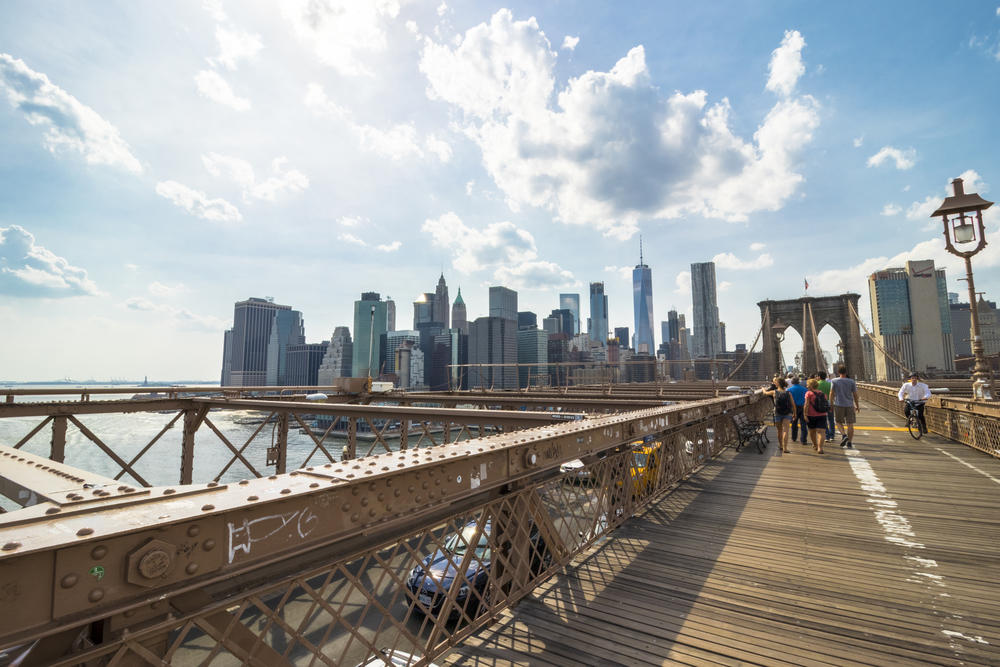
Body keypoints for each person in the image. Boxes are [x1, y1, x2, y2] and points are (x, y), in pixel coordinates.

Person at [830, 365, 861, 448]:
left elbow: (831, 393)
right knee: (850, 424)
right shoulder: (851, 381)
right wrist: (857, 405)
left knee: (838, 422)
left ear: (838, 372)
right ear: (846, 372)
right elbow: (855, 395)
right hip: (850, 405)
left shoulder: (834, 381)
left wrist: (831, 404)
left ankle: (844, 435)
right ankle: (850, 442)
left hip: (838, 404)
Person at [763, 377, 794, 453]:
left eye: (775, 382)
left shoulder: (774, 392)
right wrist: (795, 413)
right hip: (787, 413)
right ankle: (785, 448)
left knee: (779, 431)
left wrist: (763, 388)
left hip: (777, 413)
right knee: (786, 431)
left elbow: (765, 393)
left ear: (778, 384)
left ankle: (781, 445)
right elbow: (793, 404)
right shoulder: (788, 393)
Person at [804, 377, 828, 454]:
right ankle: (820, 448)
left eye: (807, 385)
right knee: (821, 432)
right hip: (822, 415)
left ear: (811, 386)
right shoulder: (822, 394)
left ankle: (815, 445)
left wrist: (805, 414)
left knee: (812, 431)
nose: (807, 386)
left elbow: (806, 405)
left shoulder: (809, 393)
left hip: (811, 415)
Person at [786, 376, 808, 445]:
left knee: (794, 423)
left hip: (794, 408)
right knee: (803, 424)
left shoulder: (789, 390)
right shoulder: (805, 389)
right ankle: (803, 439)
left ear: (792, 382)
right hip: (803, 407)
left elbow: (788, 401)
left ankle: (794, 437)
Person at [817, 370, 835, 442]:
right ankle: (832, 436)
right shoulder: (830, 384)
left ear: (819, 377)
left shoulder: (817, 384)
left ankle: (827, 436)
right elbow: (833, 394)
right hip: (829, 402)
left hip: (821, 404)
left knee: (823, 420)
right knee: (831, 420)